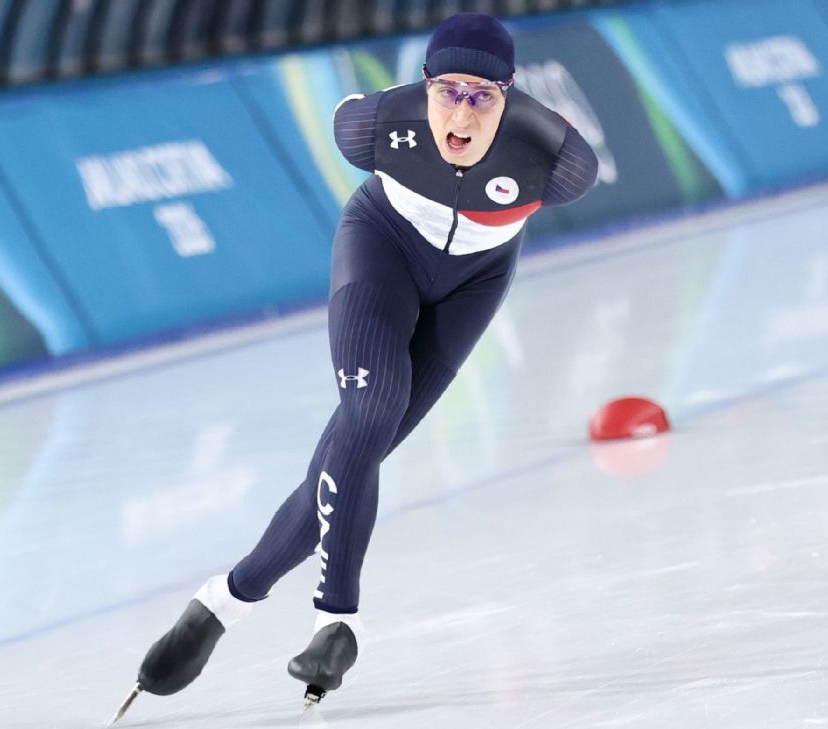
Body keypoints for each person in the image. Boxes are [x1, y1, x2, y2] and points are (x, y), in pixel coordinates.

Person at [113, 12, 597, 721]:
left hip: (473, 285)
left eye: (482, 97)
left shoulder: (558, 159)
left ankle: (222, 601)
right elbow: (347, 113)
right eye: (448, 91)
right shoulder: (374, 127)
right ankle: (335, 619)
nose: (461, 112)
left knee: (356, 450)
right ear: (424, 84)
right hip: (383, 252)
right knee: (369, 413)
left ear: (510, 94)